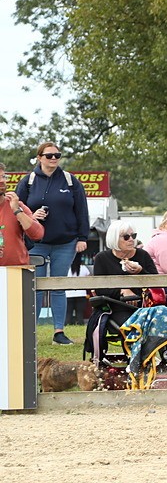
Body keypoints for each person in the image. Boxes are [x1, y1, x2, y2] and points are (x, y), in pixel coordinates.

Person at [15, 141, 90, 344]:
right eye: (49, 155)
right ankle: (32, 333)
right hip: (36, 243)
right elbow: (16, 209)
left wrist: (83, 238)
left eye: (57, 155)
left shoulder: (71, 181)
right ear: (39, 158)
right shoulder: (28, 181)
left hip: (66, 242)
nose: (54, 158)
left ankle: (59, 332)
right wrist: (32, 216)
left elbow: (82, 211)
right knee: (35, 287)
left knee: (58, 285)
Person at [92, 221, 159, 300]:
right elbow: (99, 289)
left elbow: (156, 283)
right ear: (115, 239)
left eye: (133, 236)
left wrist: (140, 271)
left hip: (142, 303)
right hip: (114, 305)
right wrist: (122, 291)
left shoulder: (143, 254)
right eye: (126, 237)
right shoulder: (102, 258)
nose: (131, 239)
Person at [0, 160, 46, 267]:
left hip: (15, 271)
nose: (2, 181)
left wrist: (17, 211)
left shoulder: (16, 204)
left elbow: (38, 234)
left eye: (3, 177)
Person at [63, 253, 91, 324]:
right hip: (81, 294)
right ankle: (80, 325)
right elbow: (89, 279)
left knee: (68, 314)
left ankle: (67, 327)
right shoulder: (84, 268)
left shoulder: (66, 268)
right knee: (80, 315)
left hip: (68, 294)